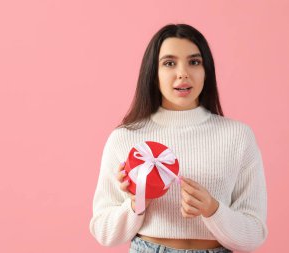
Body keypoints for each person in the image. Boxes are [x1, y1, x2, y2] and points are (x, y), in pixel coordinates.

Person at [89, 24, 268, 253]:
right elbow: (103, 232)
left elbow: (254, 233)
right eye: (169, 63)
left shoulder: (238, 136)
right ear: (153, 74)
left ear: (207, 71)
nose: (183, 72)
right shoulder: (125, 138)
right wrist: (136, 204)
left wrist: (213, 210)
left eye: (194, 62)